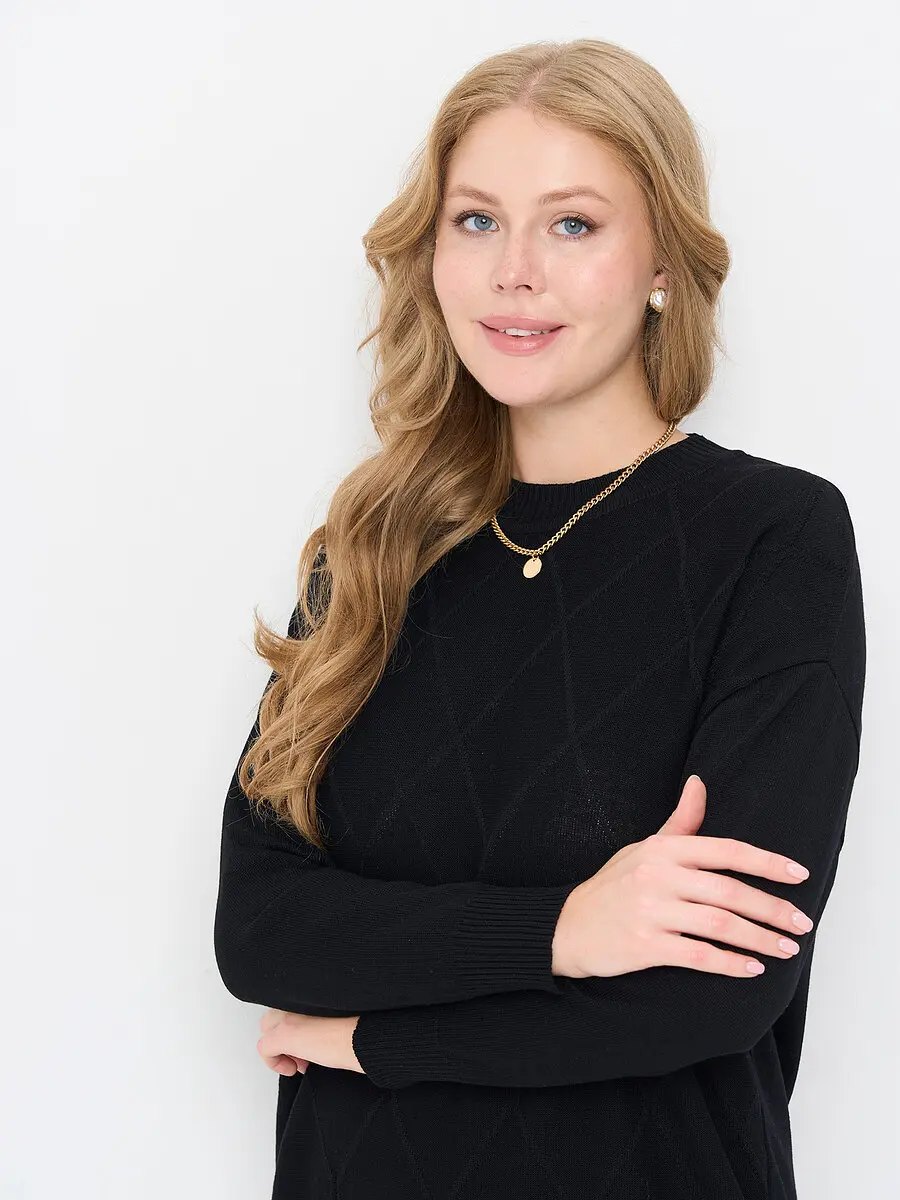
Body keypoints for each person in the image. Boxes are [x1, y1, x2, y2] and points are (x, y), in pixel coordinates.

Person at [213, 37, 865, 1200]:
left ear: (661, 262)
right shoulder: (371, 547)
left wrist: (368, 1038)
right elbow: (262, 930)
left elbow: (711, 991)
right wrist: (566, 930)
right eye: (476, 221)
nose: (515, 272)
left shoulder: (772, 538)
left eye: (572, 224)